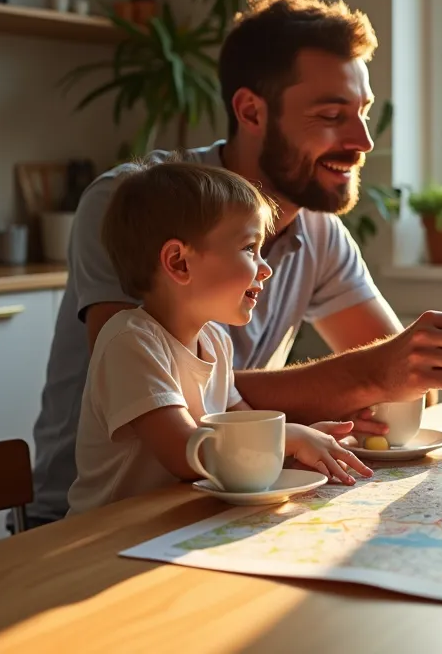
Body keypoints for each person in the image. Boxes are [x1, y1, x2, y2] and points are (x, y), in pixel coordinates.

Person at [29, 0, 442, 526]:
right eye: (331, 115)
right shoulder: (137, 206)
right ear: (251, 110)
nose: (363, 140)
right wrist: (364, 377)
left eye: (362, 112)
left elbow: (407, 390)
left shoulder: (319, 231)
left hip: (218, 501)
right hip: (91, 523)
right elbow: (164, 393)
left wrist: (393, 376)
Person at [67, 161, 374, 517]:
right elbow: (186, 453)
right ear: (179, 263)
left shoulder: (215, 340)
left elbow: (244, 427)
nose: (266, 267)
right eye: (249, 248)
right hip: (105, 537)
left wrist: (296, 443)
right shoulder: (130, 343)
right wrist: (287, 438)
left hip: (171, 522)